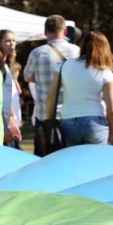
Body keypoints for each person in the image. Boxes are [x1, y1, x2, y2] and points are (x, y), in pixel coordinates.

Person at [46, 31, 113, 146]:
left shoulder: (64, 65)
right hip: (95, 121)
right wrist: (112, 133)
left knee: (71, 162)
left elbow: (51, 96)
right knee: (96, 163)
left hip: (68, 120)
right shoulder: (105, 72)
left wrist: (50, 121)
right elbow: (112, 110)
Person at [23, 15, 80, 156]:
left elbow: (27, 77)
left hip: (46, 116)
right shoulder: (77, 51)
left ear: (45, 32)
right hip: (72, 114)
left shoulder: (37, 53)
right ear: (65, 31)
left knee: (45, 160)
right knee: (72, 158)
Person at [0, 29, 23, 148]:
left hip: (6, 119)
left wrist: (13, 118)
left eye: (14, 41)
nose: (12, 44)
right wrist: (6, 125)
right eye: (8, 41)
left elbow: (7, 95)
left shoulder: (6, 64)